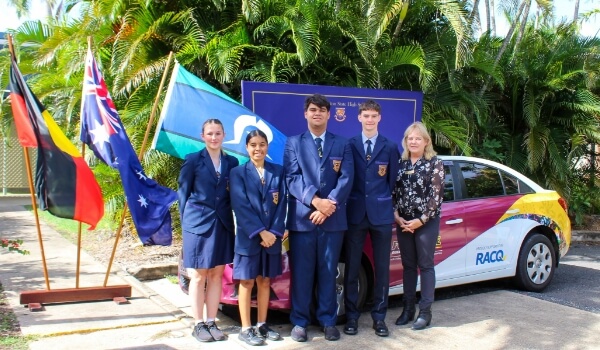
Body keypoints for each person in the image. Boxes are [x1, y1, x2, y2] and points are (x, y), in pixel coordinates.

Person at [284, 94, 354, 342]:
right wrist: (316, 201)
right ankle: (300, 322)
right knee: (302, 273)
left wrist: (329, 205)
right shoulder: (294, 143)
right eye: (313, 109)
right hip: (303, 221)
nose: (317, 113)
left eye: (322, 110)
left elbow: (346, 178)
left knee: (328, 272)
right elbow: (292, 178)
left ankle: (328, 320)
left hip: (332, 221)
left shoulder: (342, 144)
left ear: (329, 115)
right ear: (306, 113)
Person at [177, 118, 239, 342]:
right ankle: (198, 323)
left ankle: (212, 321)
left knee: (216, 274)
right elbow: (182, 194)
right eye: (210, 133)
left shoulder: (231, 162)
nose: (214, 137)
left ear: (224, 136)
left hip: (222, 223)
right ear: (202, 136)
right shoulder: (193, 160)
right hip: (196, 225)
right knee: (198, 275)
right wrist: (186, 225)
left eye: (218, 133)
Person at [343, 100, 399, 337]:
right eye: (365, 115)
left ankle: (379, 317)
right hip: (355, 214)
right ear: (359, 118)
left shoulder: (389, 147)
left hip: (382, 216)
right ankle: (352, 317)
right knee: (352, 268)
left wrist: (391, 209)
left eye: (373, 115)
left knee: (382, 269)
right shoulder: (350, 145)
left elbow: (393, 183)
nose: (369, 119)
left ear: (379, 118)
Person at [230, 129, 287, 346]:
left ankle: (262, 324)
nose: (258, 149)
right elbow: (240, 205)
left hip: (272, 237)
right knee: (247, 281)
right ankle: (246, 328)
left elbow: (282, 205)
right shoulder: (238, 173)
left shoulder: (277, 172)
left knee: (265, 281)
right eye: (253, 145)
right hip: (249, 237)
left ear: (267, 147)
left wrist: (273, 232)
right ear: (247, 147)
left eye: (262, 144)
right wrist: (260, 231)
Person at [393, 121, 444, 330]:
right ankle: (408, 309)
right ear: (406, 141)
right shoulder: (401, 163)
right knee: (407, 266)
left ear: (426, 141)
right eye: (410, 138)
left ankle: (425, 312)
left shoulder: (435, 163)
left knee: (425, 265)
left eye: (417, 138)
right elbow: (394, 192)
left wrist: (420, 220)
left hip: (426, 222)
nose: (413, 141)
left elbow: (437, 196)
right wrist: (396, 215)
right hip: (404, 222)